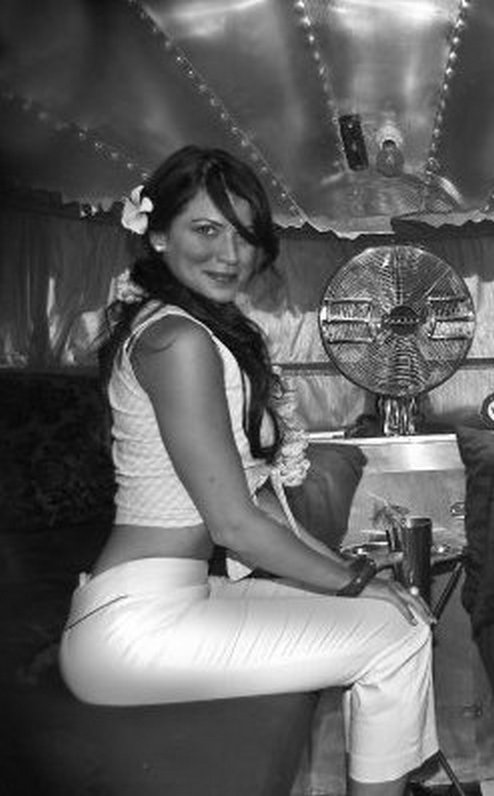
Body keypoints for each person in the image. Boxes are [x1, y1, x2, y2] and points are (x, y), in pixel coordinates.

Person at [59, 145, 438, 795]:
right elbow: (233, 526)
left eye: (243, 235)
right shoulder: (177, 341)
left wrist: (355, 575)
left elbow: (258, 502)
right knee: (397, 636)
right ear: (157, 234)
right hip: (136, 629)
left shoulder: (189, 330)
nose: (230, 255)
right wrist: (356, 583)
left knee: (396, 618)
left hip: (169, 599)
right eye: (206, 230)